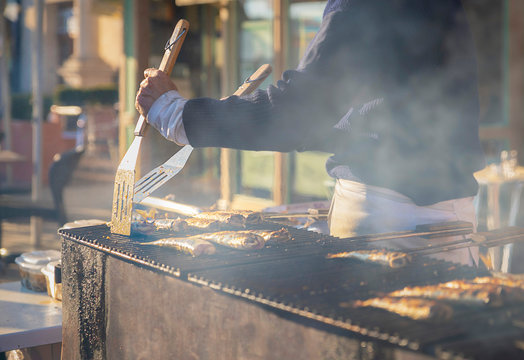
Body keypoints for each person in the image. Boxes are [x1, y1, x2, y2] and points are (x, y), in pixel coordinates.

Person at [135, 0, 485, 266]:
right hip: (453, 220)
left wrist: (175, 113)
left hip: (385, 228)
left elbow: (300, 113)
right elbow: (379, 115)